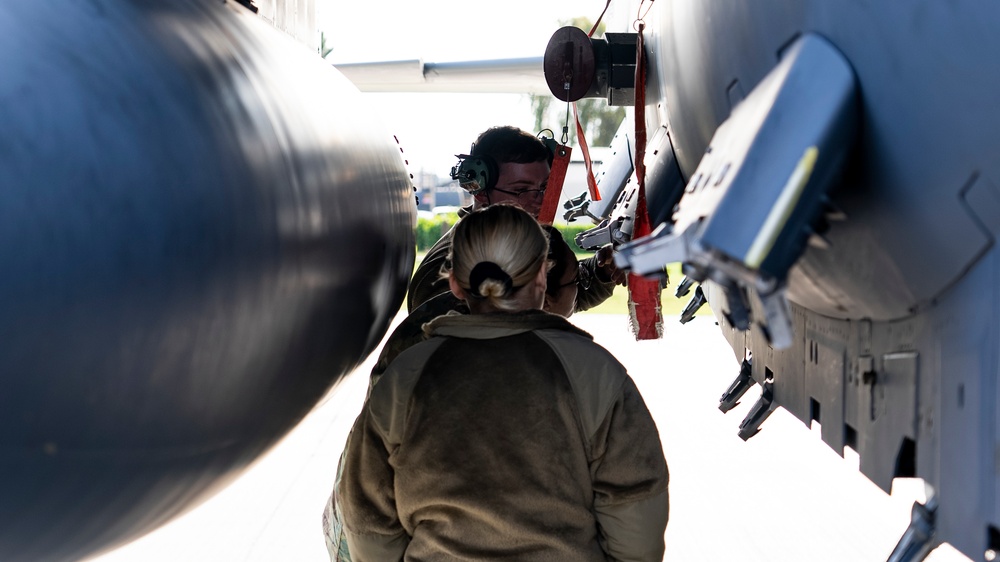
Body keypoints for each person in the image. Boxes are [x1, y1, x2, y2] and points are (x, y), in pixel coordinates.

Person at [338, 204, 669, 561]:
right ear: (542, 277)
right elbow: (636, 520)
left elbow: (368, 522)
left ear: (454, 284)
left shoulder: (405, 377)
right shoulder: (594, 373)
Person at [322, 225, 582, 560]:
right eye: (576, 284)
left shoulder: (451, 314)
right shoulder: (484, 370)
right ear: (541, 293)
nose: (579, 294)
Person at [407, 125, 625, 315]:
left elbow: (567, 294)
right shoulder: (442, 271)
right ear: (479, 190)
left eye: (543, 188)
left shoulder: (531, 238)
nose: (539, 201)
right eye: (521, 190)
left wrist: (600, 270)